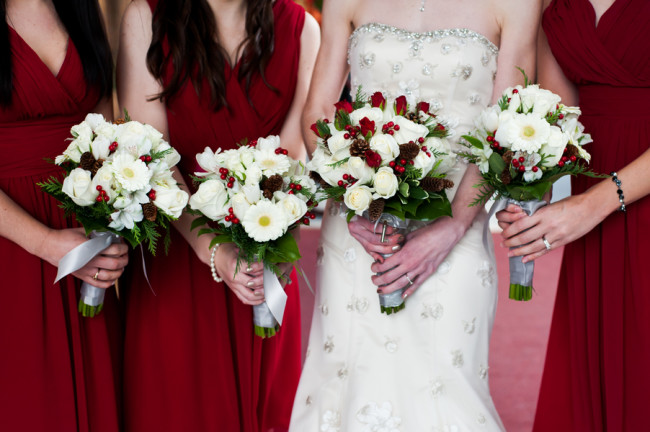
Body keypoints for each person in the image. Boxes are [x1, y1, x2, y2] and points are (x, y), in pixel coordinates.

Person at [289, 0, 540, 430]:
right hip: (358, 232)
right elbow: (317, 113)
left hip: (457, 226)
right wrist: (354, 197)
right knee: (346, 391)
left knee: (446, 391)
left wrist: (454, 225)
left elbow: (506, 127)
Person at [116, 0, 319, 430]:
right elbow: (153, 158)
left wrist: (262, 238)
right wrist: (215, 251)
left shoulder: (301, 29)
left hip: (264, 255)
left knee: (269, 409)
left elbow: (291, 153)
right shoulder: (145, 19)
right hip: (181, 257)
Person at [496, 0, 650, 430]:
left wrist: (593, 204)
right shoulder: (554, 4)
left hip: (611, 199)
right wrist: (528, 194)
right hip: (596, 214)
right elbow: (562, 119)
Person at [0, 0, 128, 431]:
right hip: (12, 245)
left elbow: (106, 133)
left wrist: (115, 224)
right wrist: (45, 243)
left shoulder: (81, 9)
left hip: (84, 243)